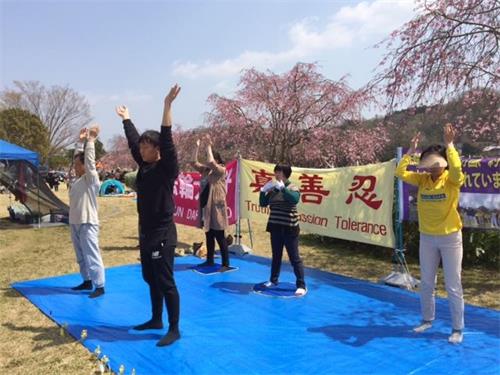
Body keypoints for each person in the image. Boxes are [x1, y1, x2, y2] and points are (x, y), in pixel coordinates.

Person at [115, 84, 181, 347]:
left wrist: (167, 106)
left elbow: (167, 137)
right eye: (141, 147)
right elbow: (132, 142)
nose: (141, 150)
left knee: (165, 281)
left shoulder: (167, 168)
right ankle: (156, 319)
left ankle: (174, 328)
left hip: (163, 234)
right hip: (146, 232)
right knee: (149, 278)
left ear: (157, 150)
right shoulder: (144, 166)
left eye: (146, 146)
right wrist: (126, 119)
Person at [395, 123, 465, 344]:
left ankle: (457, 328)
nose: (433, 166)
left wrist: (450, 144)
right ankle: (427, 319)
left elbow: (456, 169)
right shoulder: (422, 179)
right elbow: (400, 172)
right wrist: (411, 152)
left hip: (450, 238)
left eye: (437, 161)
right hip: (427, 237)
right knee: (426, 282)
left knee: (453, 285)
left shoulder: (452, 180)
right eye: (429, 161)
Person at [69, 126, 106, 298]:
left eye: (78, 165)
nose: (75, 167)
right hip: (75, 222)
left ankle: (99, 285)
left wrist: (90, 141)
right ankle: (87, 280)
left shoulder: (91, 180)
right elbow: (78, 159)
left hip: (88, 222)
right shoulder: (78, 181)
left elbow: (89, 162)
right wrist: (80, 141)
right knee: (81, 255)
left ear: (84, 167)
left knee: (91, 254)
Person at [259, 163, 306, 296]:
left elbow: (294, 199)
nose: (276, 174)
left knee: (294, 257)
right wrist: (263, 191)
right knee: (276, 255)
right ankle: (273, 280)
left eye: (278, 172)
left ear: (285, 173)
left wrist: (283, 189)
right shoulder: (274, 190)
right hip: (275, 226)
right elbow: (263, 203)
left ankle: (301, 284)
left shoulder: (292, 187)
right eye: (275, 172)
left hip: (290, 228)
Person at [191, 136, 231, 272]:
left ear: (218, 160)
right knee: (208, 235)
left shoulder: (221, 170)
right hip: (206, 207)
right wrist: (196, 147)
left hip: (217, 208)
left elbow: (211, 161)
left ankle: (225, 264)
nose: (208, 161)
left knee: (220, 235)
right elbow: (193, 162)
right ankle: (209, 260)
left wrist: (208, 146)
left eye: (213, 158)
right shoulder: (206, 171)